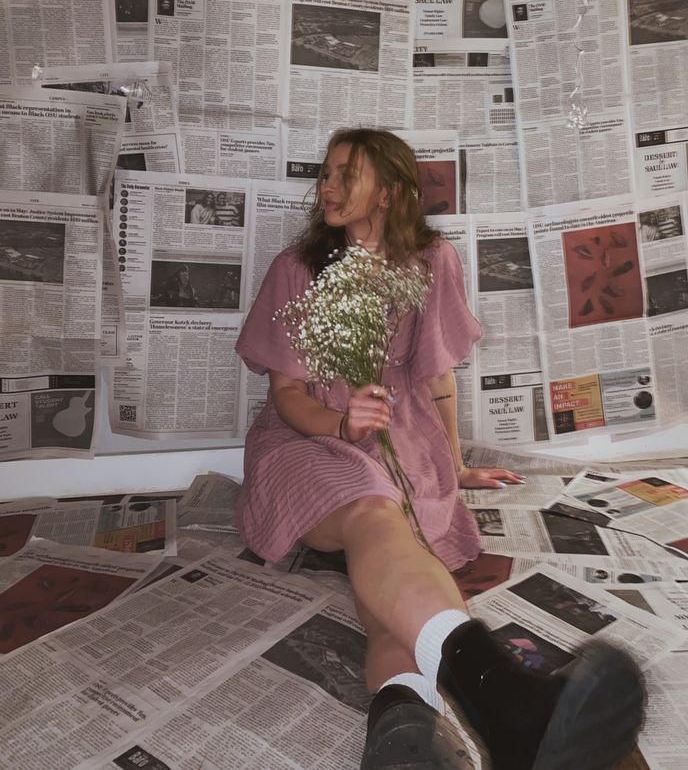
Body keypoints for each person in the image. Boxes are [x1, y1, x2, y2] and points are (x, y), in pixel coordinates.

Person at [235, 128, 644, 770]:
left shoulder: (433, 262)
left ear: (390, 191)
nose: (329, 187)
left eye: (349, 174)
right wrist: (342, 424)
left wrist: (451, 464)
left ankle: (402, 739)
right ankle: (505, 700)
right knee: (375, 512)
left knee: (389, 606)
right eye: (327, 174)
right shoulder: (297, 268)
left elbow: (436, 376)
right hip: (307, 438)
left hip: (404, 440)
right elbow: (287, 391)